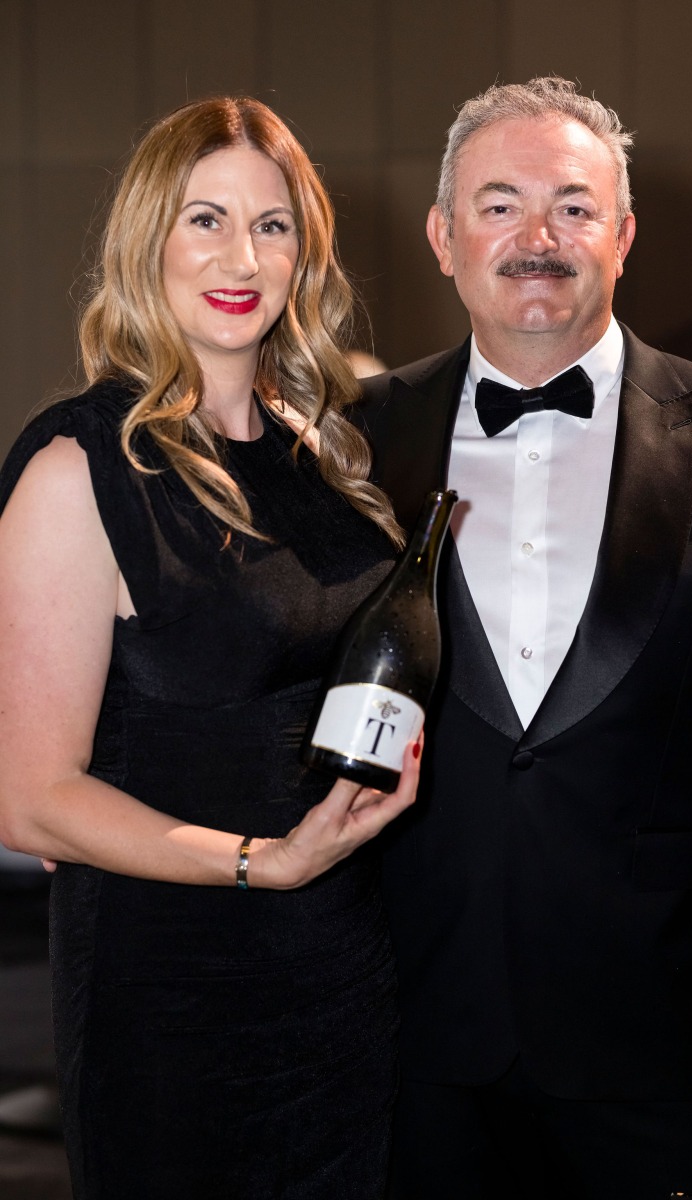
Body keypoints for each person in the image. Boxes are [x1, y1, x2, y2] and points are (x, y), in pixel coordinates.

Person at [359, 76, 692, 1200]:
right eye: (499, 204)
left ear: (623, 236)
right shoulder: (351, 443)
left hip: (657, 1044)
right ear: (443, 237)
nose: (537, 238)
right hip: (407, 1041)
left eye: (571, 205)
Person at [0, 96, 420, 1200]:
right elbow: (31, 800)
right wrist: (257, 861)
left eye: (271, 226)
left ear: (303, 254)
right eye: (206, 220)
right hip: (175, 996)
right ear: (149, 239)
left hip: (348, 970)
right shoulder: (76, 470)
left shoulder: (325, 456)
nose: (241, 258)